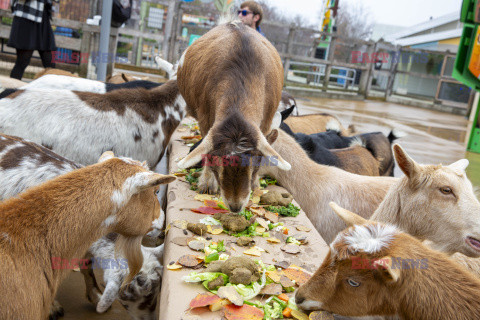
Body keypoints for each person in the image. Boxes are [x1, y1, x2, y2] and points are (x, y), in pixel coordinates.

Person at [8, 0, 57, 80]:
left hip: (43, 18)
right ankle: (11, 91)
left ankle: (51, 92)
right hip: (27, 16)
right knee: (22, 61)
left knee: (50, 64)